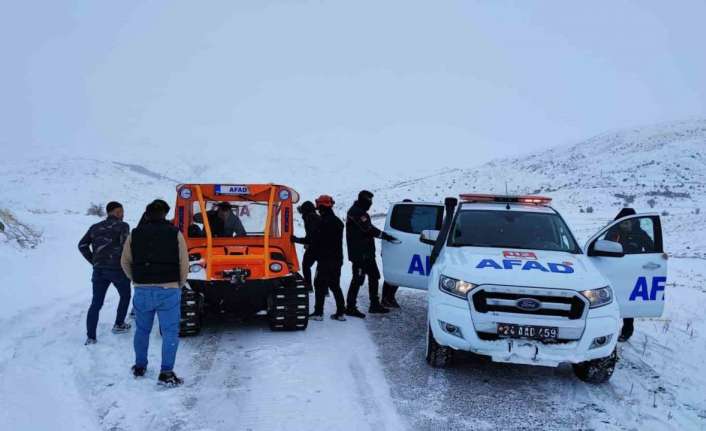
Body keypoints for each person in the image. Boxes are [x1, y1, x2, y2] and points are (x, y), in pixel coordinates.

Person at [121, 199, 189, 387]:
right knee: (170, 332)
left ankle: (140, 366)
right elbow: (184, 262)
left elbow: (125, 261)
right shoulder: (175, 233)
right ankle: (166, 372)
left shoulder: (135, 234)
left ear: (147, 214)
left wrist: (136, 280)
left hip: (142, 290)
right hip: (168, 289)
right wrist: (179, 284)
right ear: (165, 214)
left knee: (142, 330)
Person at [78, 201, 132, 345]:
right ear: (117, 212)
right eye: (122, 211)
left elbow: (82, 245)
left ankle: (91, 337)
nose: (123, 214)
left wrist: (94, 261)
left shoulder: (95, 227)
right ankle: (119, 324)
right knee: (125, 296)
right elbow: (127, 248)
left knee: (96, 303)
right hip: (118, 270)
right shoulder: (123, 226)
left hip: (99, 271)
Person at [345, 190, 398, 318]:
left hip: (367, 253)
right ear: (364, 201)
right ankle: (350, 307)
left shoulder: (360, 211)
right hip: (360, 254)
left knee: (374, 276)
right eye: (369, 201)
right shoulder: (356, 212)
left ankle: (374, 304)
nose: (371, 204)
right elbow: (368, 229)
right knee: (358, 279)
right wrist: (384, 236)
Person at [308, 195, 347, 321]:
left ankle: (318, 313)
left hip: (325, 259)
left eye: (318, 206)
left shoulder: (322, 222)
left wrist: (297, 240)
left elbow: (315, 240)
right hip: (337, 258)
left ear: (321, 206)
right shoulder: (338, 222)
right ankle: (341, 313)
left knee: (319, 284)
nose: (318, 209)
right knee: (335, 285)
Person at [292, 201, 321, 292]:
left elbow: (311, 237)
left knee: (306, 265)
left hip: (314, 247)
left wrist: (297, 240)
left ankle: (309, 286)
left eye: (302, 210)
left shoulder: (310, 218)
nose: (301, 213)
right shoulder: (316, 217)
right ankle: (324, 289)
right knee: (321, 267)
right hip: (322, 247)